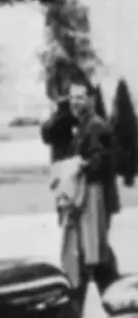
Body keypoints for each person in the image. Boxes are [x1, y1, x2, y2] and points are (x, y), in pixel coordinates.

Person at [54, 80, 119, 303]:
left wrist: (79, 166)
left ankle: (110, 301)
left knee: (92, 255)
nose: (75, 102)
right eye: (72, 98)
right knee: (91, 255)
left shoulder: (95, 126)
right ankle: (107, 300)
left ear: (90, 100)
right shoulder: (83, 125)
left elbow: (100, 163)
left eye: (80, 98)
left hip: (93, 199)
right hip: (87, 200)